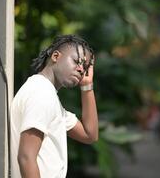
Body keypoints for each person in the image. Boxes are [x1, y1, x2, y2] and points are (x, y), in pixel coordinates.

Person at [10, 34, 98, 178]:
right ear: (56, 56)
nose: (81, 69)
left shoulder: (48, 95)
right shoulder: (41, 94)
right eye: (76, 61)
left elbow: (90, 135)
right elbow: (26, 158)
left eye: (85, 66)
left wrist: (87, 85)